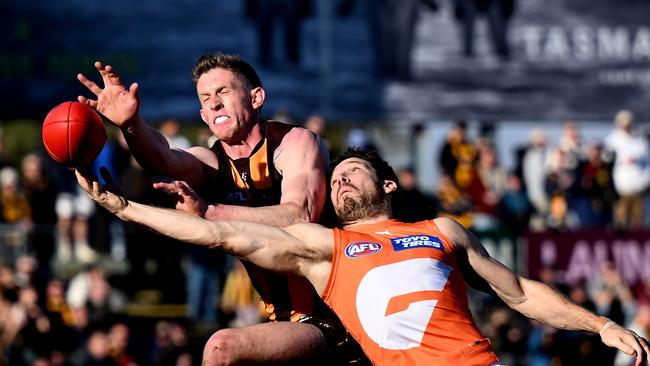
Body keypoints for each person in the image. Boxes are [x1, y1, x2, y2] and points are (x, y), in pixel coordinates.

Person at [76, 148, 650, 366]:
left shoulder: (441, 229)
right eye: (338, 176)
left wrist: (598, 324)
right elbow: (220, 237)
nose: (343, 180)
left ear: (389, 186)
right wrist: (125, 208)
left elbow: (520, 293)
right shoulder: (325, 248)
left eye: (356, 172)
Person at [76, 53, 365, 364]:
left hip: (336, 318)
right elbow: (163, 160)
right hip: (285, 323)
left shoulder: (293, 142)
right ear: (202, 115)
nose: (214, 103)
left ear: (256, 98)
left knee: (221, 347)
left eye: (223, 92)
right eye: (206, 98)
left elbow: (298, 216)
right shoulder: (212, 161)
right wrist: (131, 124)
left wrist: (209, 211)